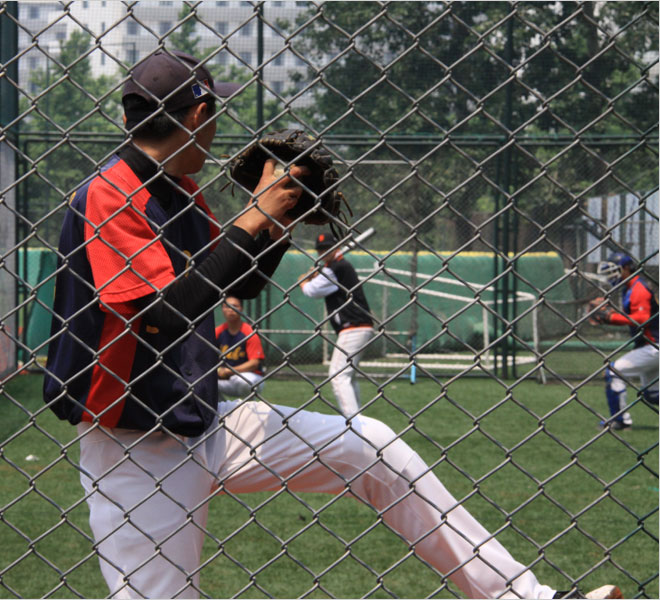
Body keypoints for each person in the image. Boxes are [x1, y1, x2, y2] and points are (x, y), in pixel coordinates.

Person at [42, 49, 620, 600]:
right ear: (198, 115)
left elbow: (236, 284)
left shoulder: (183, 194)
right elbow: (165, 314)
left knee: (374, 449)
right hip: (134, 443)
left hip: (203, 416)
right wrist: (253, 216)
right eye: (214, 109)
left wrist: (276, 223)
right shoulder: (110, 194)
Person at [299, 232, 374, 417]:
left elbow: (311, 291)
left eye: (328, 248)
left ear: (336, 248)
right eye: (321, 249)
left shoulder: (336, 268)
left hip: (353, 327)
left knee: (338, 375)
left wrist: (305, 280)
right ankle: (359, 419)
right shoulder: (335, 267)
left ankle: (353, 422)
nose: (324, 252)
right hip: (358, 326)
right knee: (348, 376)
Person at [591, 251, 659, 430]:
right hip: (650, 346)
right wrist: (609, 319)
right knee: (653, 395)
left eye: (616, 270)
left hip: (654, 346)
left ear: (627, 268)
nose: (612, 275)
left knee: (614, 372)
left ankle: (620, 420)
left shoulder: (638, 288)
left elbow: (642, 318)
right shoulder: (629, 288)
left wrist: (611, 317)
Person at [216, 296, 265, 399]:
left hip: (250, 377)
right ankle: (222, 411)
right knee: (203, 383)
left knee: (245, 381)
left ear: (241, 309)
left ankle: (249, 406)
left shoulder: (249, 332)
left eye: (234, 306)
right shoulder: (218, 332)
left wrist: (229, 371)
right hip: (225, 380)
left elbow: (254, 364)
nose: (230, 309)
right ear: (222, 309)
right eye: (226, 306)